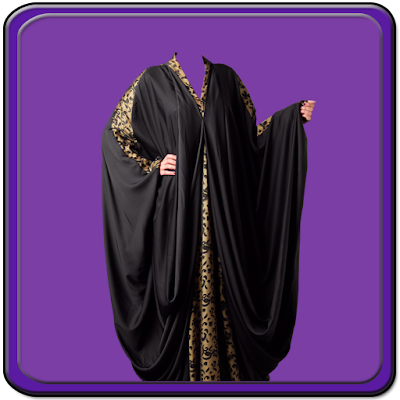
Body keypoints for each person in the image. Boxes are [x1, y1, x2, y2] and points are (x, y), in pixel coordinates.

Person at [101, 52, 316, 381]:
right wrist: (153, 166)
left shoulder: (228, 79)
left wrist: (288, 120)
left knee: (230, 289)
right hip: (177, 218)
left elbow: (248, 144)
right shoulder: (151, 81)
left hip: (225, 220)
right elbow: (116, 136)